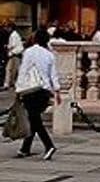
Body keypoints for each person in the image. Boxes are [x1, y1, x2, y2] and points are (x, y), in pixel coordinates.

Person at [15, 26, 61, 160]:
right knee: (33, 118)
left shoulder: (29, 52)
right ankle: (25, 148)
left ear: (35, 38)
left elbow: (24, 71)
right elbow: (53, 75)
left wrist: (18, 89)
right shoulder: (49, 54)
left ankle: (49, 145)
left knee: (34, 120)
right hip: (44, 91)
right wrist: (57, 91)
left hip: (31, 89)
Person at [4, 21, 24, 89]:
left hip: (14, 54)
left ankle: (9, 84)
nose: (6, 29)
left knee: (10, 69)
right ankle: (12, 83)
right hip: (15, 54)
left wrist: (8, 49)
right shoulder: (15, 34)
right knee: (13, 70)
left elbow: (13, 45)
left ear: (10, 27)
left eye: (7, 27)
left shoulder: (14, 35)